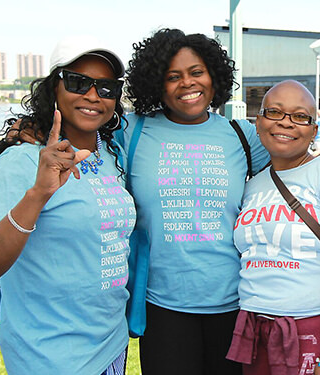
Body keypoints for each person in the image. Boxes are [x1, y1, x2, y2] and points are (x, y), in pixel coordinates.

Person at [0, 36, 134, 375]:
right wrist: (38, 194)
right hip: (49, 356)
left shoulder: (114, 153)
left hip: (111, 346)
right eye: (78, 82)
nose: (92, 96)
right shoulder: (23, 160)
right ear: (53, 87)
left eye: (106, 88)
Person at [120, 28, 270, 375]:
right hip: (162, 306)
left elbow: (298, 165)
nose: (187, 84)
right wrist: (28, 129)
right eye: (173, 77)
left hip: (235, 304)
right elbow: (78, 125)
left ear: (214, 76)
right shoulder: (131, 131)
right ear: (157, 84)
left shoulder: (241, 135)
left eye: (196, 72)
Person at [227, 80, 320, 375]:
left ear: (314, 129)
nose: (286, 123)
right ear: (259, 122)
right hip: (256, 331)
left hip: (318, 330)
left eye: (300, 116)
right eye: (275, 112)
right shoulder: (251, 185)